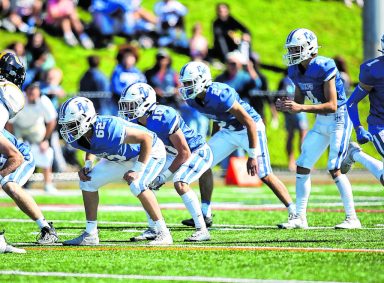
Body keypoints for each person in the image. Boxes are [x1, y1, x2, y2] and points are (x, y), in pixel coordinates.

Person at [178, 61, 296, 228]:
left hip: (250, 128)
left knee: (264, 173)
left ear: (202, 80)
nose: (186, 87)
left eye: (189, 83)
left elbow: (249, 122)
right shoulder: (193, 100)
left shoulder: (220, 93)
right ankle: (205, 214)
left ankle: (294, 212)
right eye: (185, 83)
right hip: (227, 132)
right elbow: (215, 117)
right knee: (204, 163)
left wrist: (252, 156)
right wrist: (213, 142)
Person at [58, 96, 172, 246]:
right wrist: (87, 164)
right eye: (66, 125)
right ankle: (90, 235)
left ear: (86, 119)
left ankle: (163, 232)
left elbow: (146, 139)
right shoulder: (77, 137)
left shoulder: (109, 128)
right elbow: (91, 146)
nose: (68, 129)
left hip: (150, 151)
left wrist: (138, 169)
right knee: (88, 182)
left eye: (72, 124)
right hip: (120, 157)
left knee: (137, 184)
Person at [276, 28, 361, 229]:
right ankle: (300, 218)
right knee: (303, 163)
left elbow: (332, 104)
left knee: (334, 166)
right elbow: (298, 101)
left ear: (309, 47)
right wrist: (287, 106)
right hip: (321, 121)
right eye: (291, 49)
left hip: (339, 117)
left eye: (296, 48)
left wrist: (301, 107)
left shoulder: (325, 65)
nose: (292, 53)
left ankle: (352, 218)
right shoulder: (295, 70)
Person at [119, 82, 212, 242]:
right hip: (171, 153)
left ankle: (202, 229)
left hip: (196, 151)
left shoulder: (163, 116)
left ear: (145, 103)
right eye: (126, 104)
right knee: (143, 183)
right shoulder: (135, 121)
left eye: (132, 104)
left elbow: (184, 151)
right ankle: (154, 229)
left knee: (180, 182)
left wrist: (164, 176)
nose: (128, 108)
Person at [0, 52, 58, 252]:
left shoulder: (10, 91)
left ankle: (46, 228)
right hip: (8, 147)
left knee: (10, 186)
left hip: (16, 155)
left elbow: (15, 157)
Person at [340, 33, 384, 186]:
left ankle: (355, 154)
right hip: (380, 126)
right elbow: (351, 102)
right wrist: (359, 128)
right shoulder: (374, 71)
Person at [7, 83, 58, 193]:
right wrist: (12, 140)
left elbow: (52, 121)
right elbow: (9, 123)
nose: (32, 94)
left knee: (46, 151)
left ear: (39, 92)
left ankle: (48, 184)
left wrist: (45, 140)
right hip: (18, 127)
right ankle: (12, 182)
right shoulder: (19, 99)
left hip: (36, 127)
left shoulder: (44, 101)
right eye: (30, 91)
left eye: (34, 91)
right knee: (13, 152)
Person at [278, 70, 308, 171]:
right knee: (296, 136)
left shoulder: (297, 79)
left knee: (299, 136)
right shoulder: (286, 80)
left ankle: (301, 161)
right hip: (293, 111)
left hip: (296, 111)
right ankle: (295, 161)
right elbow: (278, 96)